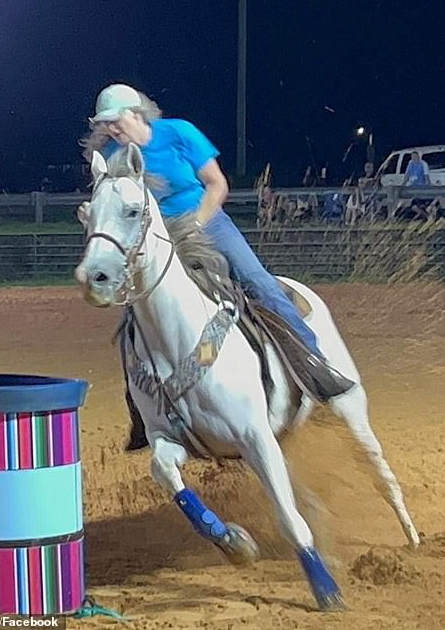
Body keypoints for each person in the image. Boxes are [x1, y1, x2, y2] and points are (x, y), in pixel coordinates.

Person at [81, 83, 355, 450]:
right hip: (159, 238)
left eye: (114, 121)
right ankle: (142, 412)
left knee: (260, 285)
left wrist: (194, 224)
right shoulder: (116, 155)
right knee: (134, 320)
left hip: (206, 222)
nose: (110, 129)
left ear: (136, 112)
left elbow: (216, 184)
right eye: (106, 124)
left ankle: (315, 366)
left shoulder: (178, 134)